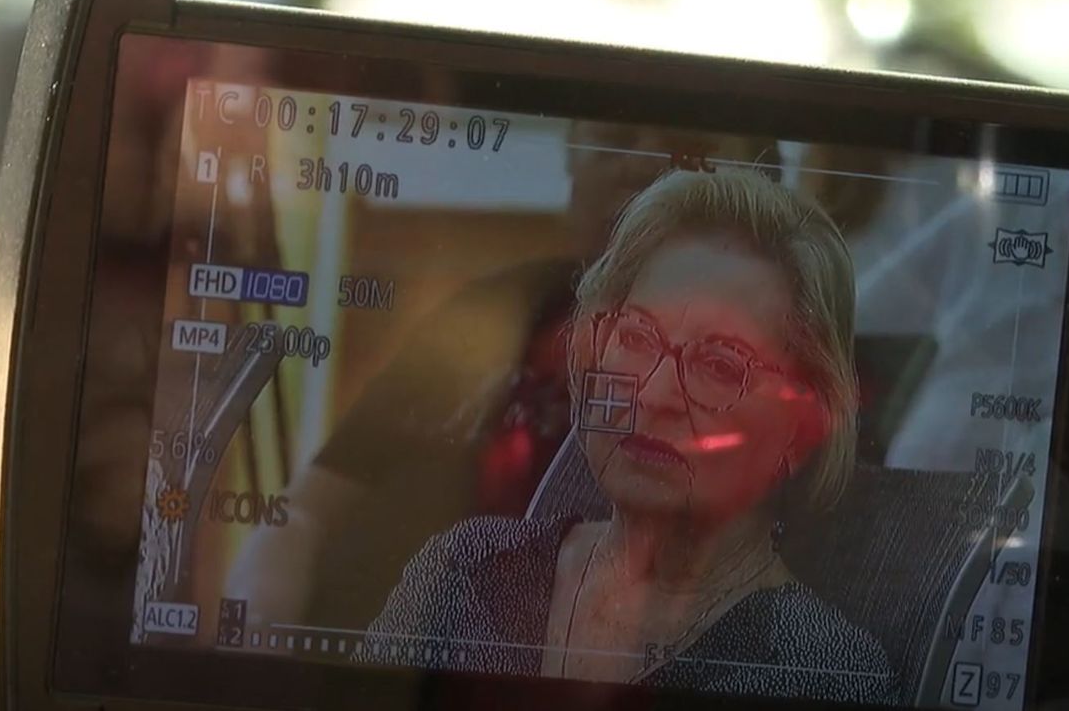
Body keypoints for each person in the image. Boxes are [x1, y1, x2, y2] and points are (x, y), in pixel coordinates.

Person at [359, 169, 897, 704]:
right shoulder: (464, 570)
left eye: (720, 365)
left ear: (800, 428)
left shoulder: (825, 671)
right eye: (638, 337)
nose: (655, 394)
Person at [224, 124, 780, 632]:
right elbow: (304, 510)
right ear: (572, 157)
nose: (641, 162)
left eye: (689, 148)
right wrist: (258, 616)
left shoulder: (769, 387)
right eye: (617, 137)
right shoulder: (492, 307)